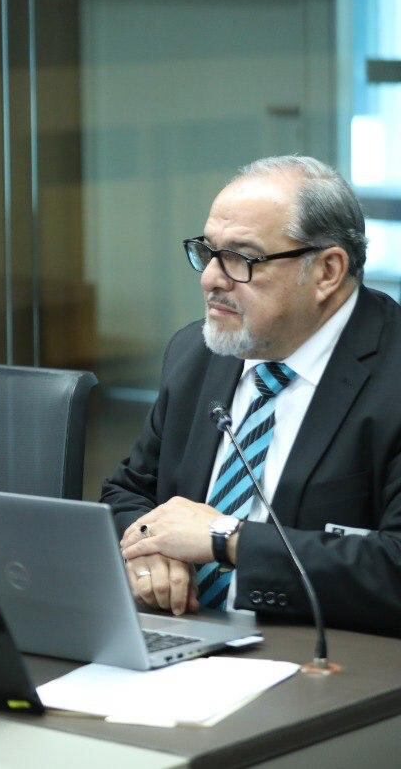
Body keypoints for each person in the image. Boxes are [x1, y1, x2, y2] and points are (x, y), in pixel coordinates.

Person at [104, 155, 401, 637]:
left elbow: (393, 566)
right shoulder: (197, 353)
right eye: (208, 252)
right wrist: (149, 551)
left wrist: (228, 539)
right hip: (183, 634)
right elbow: (130, 492)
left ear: (327, 270)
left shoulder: (391, 375)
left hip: (329, 659)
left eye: (242, 258)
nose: (211, 279)